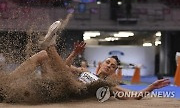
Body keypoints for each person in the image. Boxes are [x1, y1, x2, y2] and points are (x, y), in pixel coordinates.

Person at [0, 18, 170, 104]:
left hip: (69, 93)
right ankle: (7, 82)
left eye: (113, 66)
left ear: (113, 72)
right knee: (42, 55)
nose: (110, 66)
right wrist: (74, 53)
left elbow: (134, 96)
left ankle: (50, 46)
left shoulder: (107, 86)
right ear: (101, 64)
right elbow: (64, 69)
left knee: (59, 67)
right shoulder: (84, 72)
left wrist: (151, 87)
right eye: (108, 62)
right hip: (55, 84)